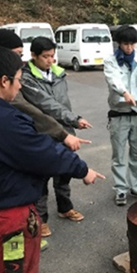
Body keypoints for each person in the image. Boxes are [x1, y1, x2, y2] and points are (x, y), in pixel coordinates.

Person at [0, 46, 104, 273]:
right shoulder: (6, 121)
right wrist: (83, 169)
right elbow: (44, 153)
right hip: (10, 222)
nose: (20, 87)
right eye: (18, 81)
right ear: (4, 81)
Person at [0, 29, 88, 153]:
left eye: (20, 55)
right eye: (16, 54)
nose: (19, 60)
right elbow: (24, 106)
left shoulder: (58, 74)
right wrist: (62, 134)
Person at [20, 37, 92, 237]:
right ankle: (41, 219)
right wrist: (74, 119)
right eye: (45, 56)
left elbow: (63, 103)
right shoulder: (26, 78)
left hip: (65, 130)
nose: (50, 60)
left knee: (64, 173)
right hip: (42, 131)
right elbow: (46, 104)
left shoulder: (59, 74)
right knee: (41, 176)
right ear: (33, 56)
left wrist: (71, 124)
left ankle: (65, 207)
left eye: (53, 55)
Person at [103, 25, 137, 206]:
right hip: (119, 114)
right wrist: (125, 93)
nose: (129, 48)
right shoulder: (111, 61)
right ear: (119, 43)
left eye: (132, 44)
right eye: (126, 44)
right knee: (119, 155)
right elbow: (113, 80)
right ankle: (120, 189)